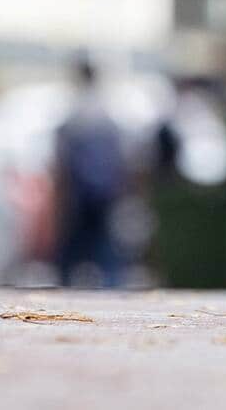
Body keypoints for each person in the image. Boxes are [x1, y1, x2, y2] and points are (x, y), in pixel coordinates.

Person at [50, 56, 127, 287]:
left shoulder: (75, 111)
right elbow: (120, 155)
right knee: (103, 244)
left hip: (79, 191)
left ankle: (65, 287)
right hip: (104, 190)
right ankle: (111, 287)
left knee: (73, 245)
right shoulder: (106, 110)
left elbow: (62, 157)